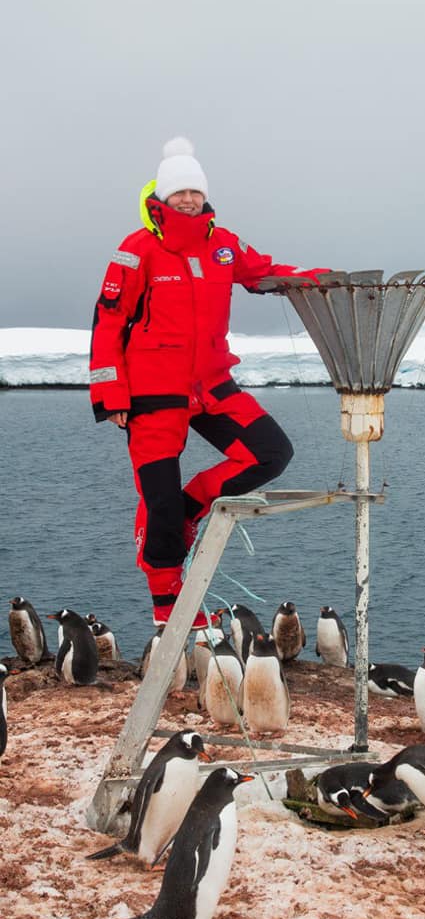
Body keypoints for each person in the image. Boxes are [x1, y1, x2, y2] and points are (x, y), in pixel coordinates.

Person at [89, 137, 329, 629]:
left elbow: (263, 272)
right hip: (154, 395)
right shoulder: (137, 249)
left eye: (194, 192)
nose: (188, 200)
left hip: (212, 386)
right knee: (158, 503)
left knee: (271, 453)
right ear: (163, 195)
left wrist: (313, 278)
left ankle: (191, 505)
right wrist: (110, 394)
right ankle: (167, 604)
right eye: (179, 193)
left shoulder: (224, 245)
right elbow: (108, 320)